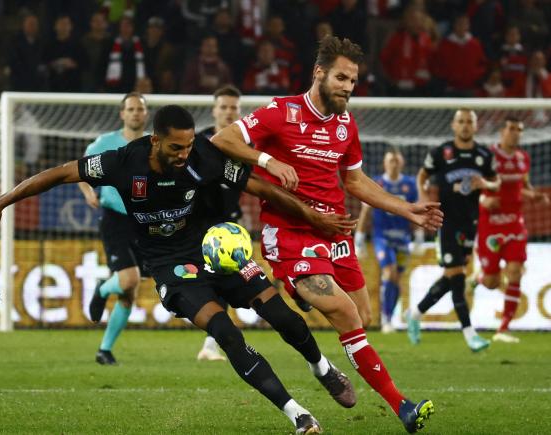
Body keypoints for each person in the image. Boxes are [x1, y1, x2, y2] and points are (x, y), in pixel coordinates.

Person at [0, 105, 364, 434]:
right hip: (168, 265)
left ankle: (322, 367)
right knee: (225, 332)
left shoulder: (203, 156)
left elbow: (258, 188)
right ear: (156, 140)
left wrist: (311, 214)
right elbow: (57, 174)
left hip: (211, 250)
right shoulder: (123, 162)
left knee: (281, 316)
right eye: (177, 147)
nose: (184, 154)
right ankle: (297, 413)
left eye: (189, 145)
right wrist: (0, 205)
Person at [211, 36, 442, 433]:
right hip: (290, 233)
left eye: (353, 81)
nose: (348, 88)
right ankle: (402, 406)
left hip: (335, 234)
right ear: (319, 73)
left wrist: (406, 209)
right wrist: (268, 159)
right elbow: (222, 140)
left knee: (362, 317)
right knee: (349, 315)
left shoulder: (345, 124)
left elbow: (354, 181)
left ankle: (306, 294)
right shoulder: (280, 112)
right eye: (341, 78)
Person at [406, 109, 500, 352]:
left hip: (470, 224)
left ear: (475, 127)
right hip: (445, 222)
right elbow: (422, 175)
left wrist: (485, 184)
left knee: (451, 278)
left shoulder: (483, 155)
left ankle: (414, 313)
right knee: (458, 278)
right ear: (453, 125)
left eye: (469, 122)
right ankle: (470, 335)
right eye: (461, 122)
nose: (465, 126)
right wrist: (423, 196)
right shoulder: (441, 152)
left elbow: (496, 181)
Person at [78, 92, 150, 365]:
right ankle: (100, 289)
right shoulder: (105, 143)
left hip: (144, 220)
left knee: (130, 292)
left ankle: (104, 350)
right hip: (115, 217)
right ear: (122, 114)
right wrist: (87, 192)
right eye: (130, 109)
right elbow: (81, 171)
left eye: (139, 109)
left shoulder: (154, 143)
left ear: (146, 114)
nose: (135, 113)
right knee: (129, 279)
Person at [470, 117, 549, 343]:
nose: (515, 133)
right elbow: (472, 185)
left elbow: (522, 187)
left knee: (515, 272)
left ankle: (503, 328)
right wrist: (483, 200)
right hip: (491, 225)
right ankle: (479, 278)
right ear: (501, 132)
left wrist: (532, 194)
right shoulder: (488, 157)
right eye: (511, 129)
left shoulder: (523, 158)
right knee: (493, 282)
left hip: (515, 223)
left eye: (519, 130)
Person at [195, 84, 242, 362]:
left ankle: (212, 343)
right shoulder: (199, 143)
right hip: (198, 224)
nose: (228, 112)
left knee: (225, 282)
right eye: (223, 107)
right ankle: (213, 340)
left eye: (233, 107)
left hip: (228, 225)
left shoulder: (245, 145)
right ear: (214, 110)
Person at [354, 148, 423, 333]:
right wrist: (359, 239)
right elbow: (366, 211)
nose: (393, 163)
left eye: (396, 160)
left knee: (396, 280)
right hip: (381, 237)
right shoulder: (377, 183)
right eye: (390, 160)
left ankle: (389, 318)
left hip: (403, 239)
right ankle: (385, 320)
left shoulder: (410, 185)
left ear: (402, 163)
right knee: (389, 273)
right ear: (385, 163)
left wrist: (418, 236)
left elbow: (416, 211)